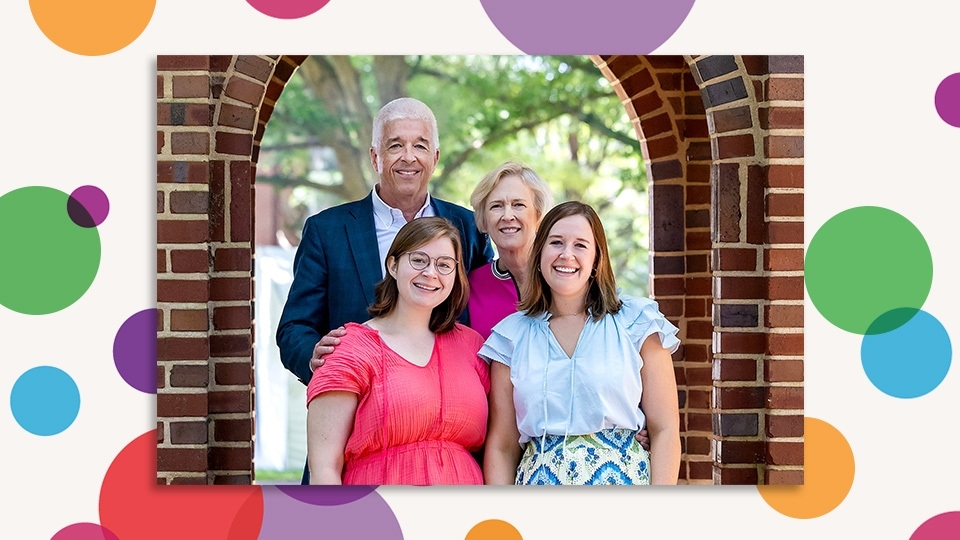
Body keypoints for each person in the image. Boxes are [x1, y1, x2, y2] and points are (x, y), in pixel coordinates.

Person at [277, 97, 492, 483]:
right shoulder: (327, 230)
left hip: (449, 441)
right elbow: (293, 327)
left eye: (419, 145)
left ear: (436, 156)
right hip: (355, 438)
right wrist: (317, 359)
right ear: (375, 156)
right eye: (395, 145)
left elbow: (484, 308)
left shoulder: (469, 228)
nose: (408, 157)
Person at [481, 201, 681, 485]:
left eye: (580, 245)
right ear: (539, 255)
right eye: (556, 242)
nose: (567, 255)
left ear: (597, 260)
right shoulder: (510, 337)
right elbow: (502, 446)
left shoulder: (637, 323)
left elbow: (665, 429)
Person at [306, 217, 489, 485]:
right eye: (418, 260)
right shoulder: (350, 348)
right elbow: (324, 468)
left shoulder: (472, 347)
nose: (430, 273)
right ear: (393, 265)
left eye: (444, 265)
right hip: (379, 515)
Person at [466, 161, 554, 340]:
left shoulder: (562, 275)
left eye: (518, 205)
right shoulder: (470, 286)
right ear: (484, 220)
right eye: (496, 206)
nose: (507, 216)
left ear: (538, 214)